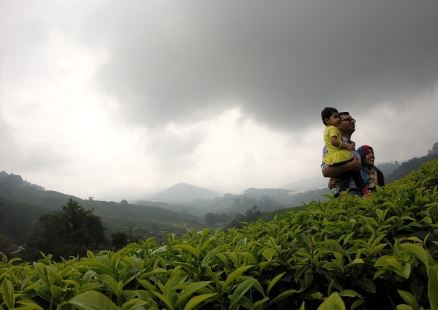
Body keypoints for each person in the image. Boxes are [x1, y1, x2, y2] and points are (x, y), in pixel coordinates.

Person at [321, 107, 369, 196]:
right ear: (338, 125)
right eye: (347, 120)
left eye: (352, 119)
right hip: (347, 194)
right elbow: (325, 171)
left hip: (360, 193)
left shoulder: (352, 147)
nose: (352, 121)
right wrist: (349, 166)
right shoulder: (331, 147)